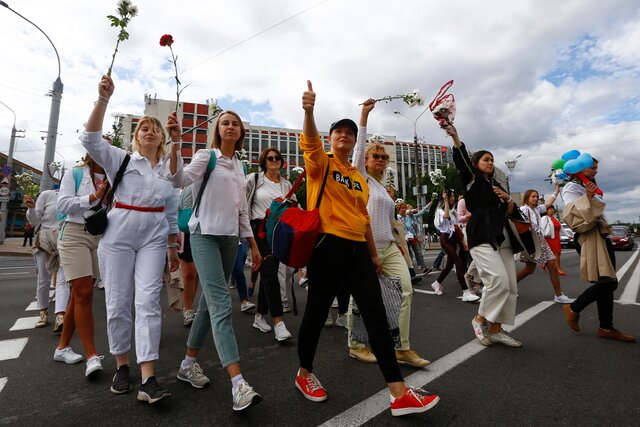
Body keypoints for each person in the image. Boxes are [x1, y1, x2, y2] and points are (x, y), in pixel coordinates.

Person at [295, 81, 439, 416]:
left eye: (349, 133)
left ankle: (398, 391)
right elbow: (310, 141)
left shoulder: (358, 178)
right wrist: (308, 111)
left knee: (375, 314)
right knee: (316, 313)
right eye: (339, 133)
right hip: (327, 244)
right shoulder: (322, 164)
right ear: (331, 139)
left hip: (358, 248)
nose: (344, 137)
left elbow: (362, 219)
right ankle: (304, 373)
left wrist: (374, 254)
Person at [81, 75, 179, 403]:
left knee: (149, 301)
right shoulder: (120, 159)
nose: (149, 131)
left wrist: (172, 246)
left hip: (153, 236)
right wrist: (103, 99)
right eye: (143, 128)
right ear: (136, 137)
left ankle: (148, 377)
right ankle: (122, 364)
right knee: (119, 301)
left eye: (155, 128)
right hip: (119, 235)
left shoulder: (167, 169)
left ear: (162, 137)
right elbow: (90, 138)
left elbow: (169, 209)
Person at [169, 110, 264, 411]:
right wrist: (174, 144)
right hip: (204, 236)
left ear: (241, 132)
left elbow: (242, 211)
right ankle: (238, 384)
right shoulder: (205, 156)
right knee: (222, 304)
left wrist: (252, 244)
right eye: (226, 122)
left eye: (236, 123)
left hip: (229, 240)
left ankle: (187, 364)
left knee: (208, 307)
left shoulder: (241, 165)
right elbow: (178, 180)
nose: (231, 127)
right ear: (218, 130)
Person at [347, 98, 431, 369]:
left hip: (389, 247)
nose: (381, 159)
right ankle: (357, 345)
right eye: (376, 156)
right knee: (362, 298)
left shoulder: (383, 189)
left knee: (405, 292)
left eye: (384, 156)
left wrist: (399, 245)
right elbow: (358, 151)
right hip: (362, 246)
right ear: (367, 161)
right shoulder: (361, 177)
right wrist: (363, 116)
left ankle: (401, 347)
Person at [447, 121, 524, 348]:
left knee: (510, 286)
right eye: (485, 159)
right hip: (481, 234)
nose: (490, 163)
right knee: (497, 281)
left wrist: (507, 198)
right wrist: (455, 136)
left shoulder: (496, 184)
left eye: (492, 160)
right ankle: (480, 319)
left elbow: (511, 212)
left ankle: (497, 329)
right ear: (475, 164)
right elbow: (461, 162)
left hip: (503, 236)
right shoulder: (472, 180)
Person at [561, 158, 635, 342]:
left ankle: (606, 326)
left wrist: (590, 193)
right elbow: (572, 213)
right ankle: (574, 308)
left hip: (600, 234)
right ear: (580, 168)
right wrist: (588, 196)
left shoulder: (588, 184)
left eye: (597, 167)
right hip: (589, 236)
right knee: (609, 283)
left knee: (607, 282)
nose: (596, 171)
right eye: (592, 168)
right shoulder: (572, 186)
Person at [53, 153, 109, 377]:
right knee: (84, 291)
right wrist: (94, 195)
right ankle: (92, 356)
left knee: (80, 294)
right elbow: (64, 204)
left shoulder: (114, 175)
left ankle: (62, 347)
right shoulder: (75, 173)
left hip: (100, 235)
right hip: (74, 233)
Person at [245, 147, 293, 341]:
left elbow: (292, 207)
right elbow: (242, 204)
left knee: (268, 272)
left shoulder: (286, 184)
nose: (274, 160)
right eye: (270, 158)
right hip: (259, 230)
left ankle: (259, 316)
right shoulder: (254, 179)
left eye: (277, 158)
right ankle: (279, 322)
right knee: (271, 272)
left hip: (279, 232)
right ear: (264, 161)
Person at [516, 185, 574, 304]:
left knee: (550, 266)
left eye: (537, 197)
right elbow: (520, 225)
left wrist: (557, 191)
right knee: (529, 269)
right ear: (527, 198)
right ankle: (507, 288)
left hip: (540, 239)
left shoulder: (537, 210)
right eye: (533, 196)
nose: (536, 198)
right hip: (532, 240)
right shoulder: (523, 209)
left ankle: (558, 294)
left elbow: (549, 203)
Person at [25, 191, 69, 333]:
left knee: (63, 278)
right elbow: (35, 220)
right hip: (45, 238)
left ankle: (60, 316)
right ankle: (43, 312)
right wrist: (31, 208)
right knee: (43, 279)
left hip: (66, 238)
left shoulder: (76, 195)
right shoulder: (48, 194)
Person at [430, 190, 480, 302]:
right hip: (445, 239)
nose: (452, 198)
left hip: (453, 239)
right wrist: (446, 200)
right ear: (445, 198)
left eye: (453, 197)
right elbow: (446, 216)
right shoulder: (439, 211)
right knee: (458, 262)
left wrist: (463, 242)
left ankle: (437, 283)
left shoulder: (453, 211)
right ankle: (466, 292)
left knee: (449, 265)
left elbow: (457, 226)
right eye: (451, 197)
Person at [540, 205, 569, 275]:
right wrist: (542, 240)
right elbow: (542, 229)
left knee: (557, 253)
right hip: (549, 238)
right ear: (546, 211)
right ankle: (558, 269)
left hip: (557, 239)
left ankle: (546, 264)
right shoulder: (544, 218)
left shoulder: (555, 219)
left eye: (552, 209)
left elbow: (561, 228)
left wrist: (569, 236)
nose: (552, 210)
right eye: (550, 209)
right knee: (555, 254)